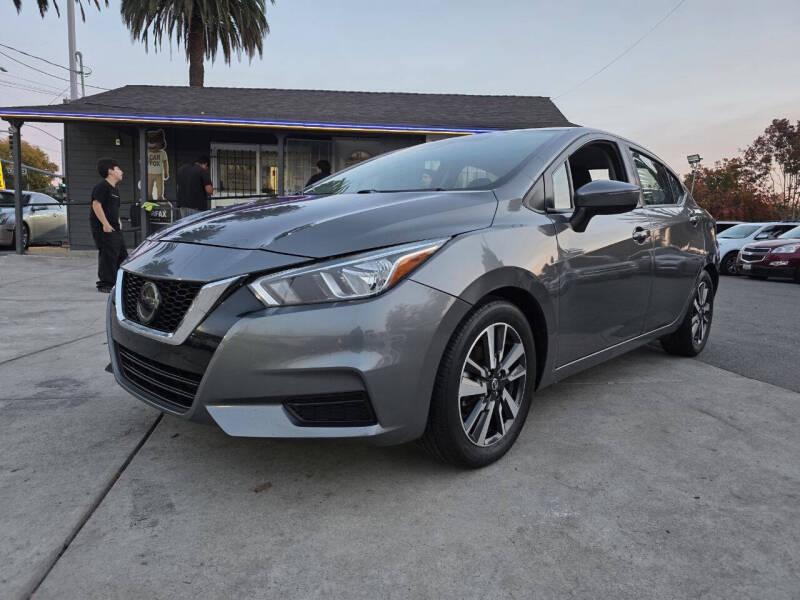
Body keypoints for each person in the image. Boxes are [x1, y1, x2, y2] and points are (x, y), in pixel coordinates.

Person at [90, 158, 128, 293]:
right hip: (103, 227)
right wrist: (105, 224)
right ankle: (105, 284)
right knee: (108, 254)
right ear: (110, 171)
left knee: (121, 254)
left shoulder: (115, 189)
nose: (121, 172)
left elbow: (113, 207)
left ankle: (119, 282)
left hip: (114, 226)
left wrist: (118, 220)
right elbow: (96, 204)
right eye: (118, 169)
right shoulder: (102, 187)